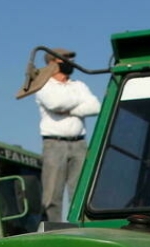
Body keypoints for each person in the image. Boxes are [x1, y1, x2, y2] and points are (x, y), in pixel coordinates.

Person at [33, 49, 100, 222]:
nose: (70, 62)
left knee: (82, 192)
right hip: (54, 144)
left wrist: (67, 109)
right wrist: (78, 103)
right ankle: (51, 235)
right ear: (52, 63)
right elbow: (55, 103)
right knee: (52, 195)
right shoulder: (43, 84)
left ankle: (83, 230)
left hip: (79, 144)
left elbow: (95, 106)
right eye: (65, 59)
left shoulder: (78, 85)